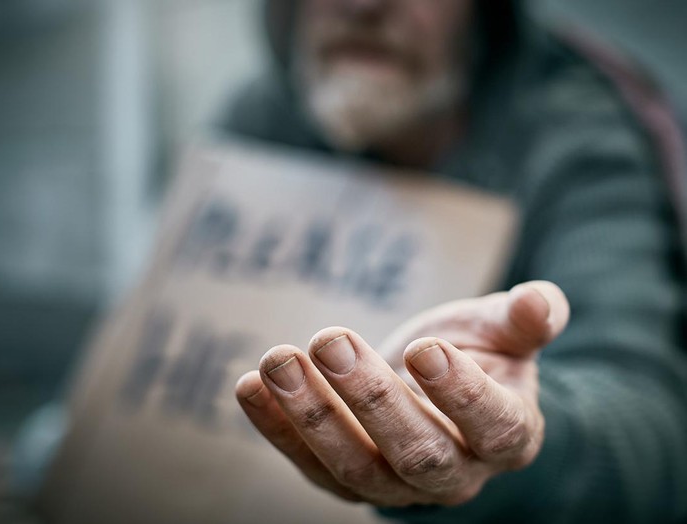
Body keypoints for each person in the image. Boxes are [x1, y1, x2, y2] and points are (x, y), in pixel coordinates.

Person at [225, 0, 687, 522]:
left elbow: (650, 422)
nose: (361, 6)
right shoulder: (264, 117)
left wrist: (528, 434)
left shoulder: (579, 142)